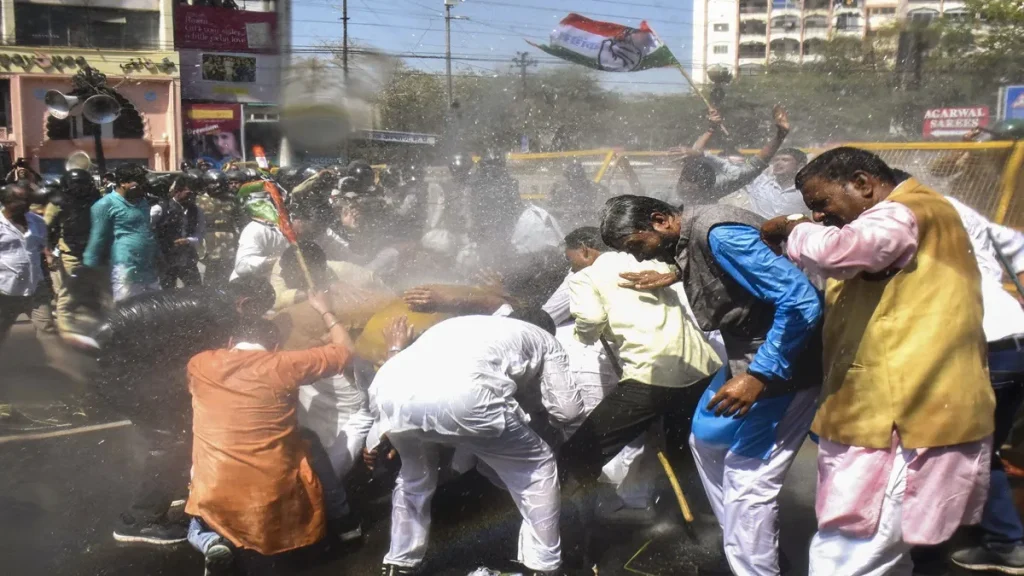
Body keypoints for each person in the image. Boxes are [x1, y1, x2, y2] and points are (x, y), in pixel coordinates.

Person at [760, 147, 995, 576]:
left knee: (851, 554)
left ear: (864, 184)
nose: (818, 217)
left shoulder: (902, 212)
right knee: (883, 554)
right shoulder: (919, 212)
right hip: (897, 413)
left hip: (902, 420)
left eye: (822, 204)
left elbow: (841, 252)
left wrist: (791, 227)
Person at [597, 193, 823, 576]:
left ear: (659, 220)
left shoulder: (720, 233)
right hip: (745, 356)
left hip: (783, 362)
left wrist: (758, 376)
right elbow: (727, 269)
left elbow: (800, 301)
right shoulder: (693, 231)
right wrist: (672, 274)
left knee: (747, 482)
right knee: (705, 440)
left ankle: (756, 565)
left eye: (636, 245)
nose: (637, 258)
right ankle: (744, 541)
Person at [369, 313, 585, 576]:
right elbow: (569, 412)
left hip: (388, 389)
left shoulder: (467, 325)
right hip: (464, 398)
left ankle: (399, 563)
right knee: (537, 468)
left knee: (415, 478)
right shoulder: (547, 341)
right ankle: (544, 567)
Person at [185, 292, 358, 572]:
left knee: (199, 487)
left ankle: (211, 540)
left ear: (229, 343)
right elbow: (346, 351)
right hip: (271, 497)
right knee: (309, 440)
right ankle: (345, 522)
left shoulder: (200, 364)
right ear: (275, 346)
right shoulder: (284, 364)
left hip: (217, 491)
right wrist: (326, 311)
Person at [97, 277, 276, 545]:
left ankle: (177, 485)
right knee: (169, 441)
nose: (256, 319)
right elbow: (210, 365)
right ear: (246, 303)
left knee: (182, 421)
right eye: (257, 311)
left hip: (119, 357)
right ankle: (140, 520)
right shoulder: (219, 312)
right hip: (114, 367)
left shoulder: (214, 296)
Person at [930, 193, 1024, 574]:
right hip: (1015, 338)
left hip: (983, 347)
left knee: (967, 448)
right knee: (982, 446)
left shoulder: (902, 218)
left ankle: (1005, 542)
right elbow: (1016, 244)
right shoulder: (958, 209)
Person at [674, 105, 791, 207]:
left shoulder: (719, 186)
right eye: (685, 179)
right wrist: (711, 129)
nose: (686, 186)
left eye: (693, 183)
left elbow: (756, 164)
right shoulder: (671, 193)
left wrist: (780, 135)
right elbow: (694, 155)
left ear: (706, 185)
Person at [83, 163, 160, 302]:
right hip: (125, 266)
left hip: (147, 266)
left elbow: (146, 231)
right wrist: (88, 270)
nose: (142, 187)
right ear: (123, 182)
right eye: (139, 182)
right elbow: (97, 238)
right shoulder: (105, 205)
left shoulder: (142, 202)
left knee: (153, 309)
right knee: (127, 311)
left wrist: (159, 255)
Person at [45, 169, 102, 338]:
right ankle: (65, 327)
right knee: (70, 291)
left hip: (94, 252)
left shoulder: (96, 199)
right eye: (76, 184)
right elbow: (44, 229)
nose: (80, 188)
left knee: (96, 289)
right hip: (71, 253)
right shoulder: (57, 203)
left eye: (83, 183)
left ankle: (96, 325)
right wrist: (48, 253)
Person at [0, 183, 51, 349]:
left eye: (27, 200)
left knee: (47, 330)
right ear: (6, 202)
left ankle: (60, 370)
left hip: (35, 287)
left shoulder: (37, 221)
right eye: (19, 201)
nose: (26, 204)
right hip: (5, 291)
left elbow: (41, 248)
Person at [151, 173, 206, 290]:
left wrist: (189, 240)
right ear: (177, 191)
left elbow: (200, 233)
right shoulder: (160, 209)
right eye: (189, 193)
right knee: (166, 293)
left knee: (196, 290)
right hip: (166, 259)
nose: (192, 197)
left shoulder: (196, 210)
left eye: (194, 194)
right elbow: (147, 230)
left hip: (187, 258)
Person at [197, 169, 243, 288]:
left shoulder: (231, 199)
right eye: (212, 183)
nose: (216, 186)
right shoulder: (199, 200)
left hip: (228, 239)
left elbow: (238, 218)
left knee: (227, 270)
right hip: (209, 238)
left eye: (218, 183)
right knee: (211, 270)